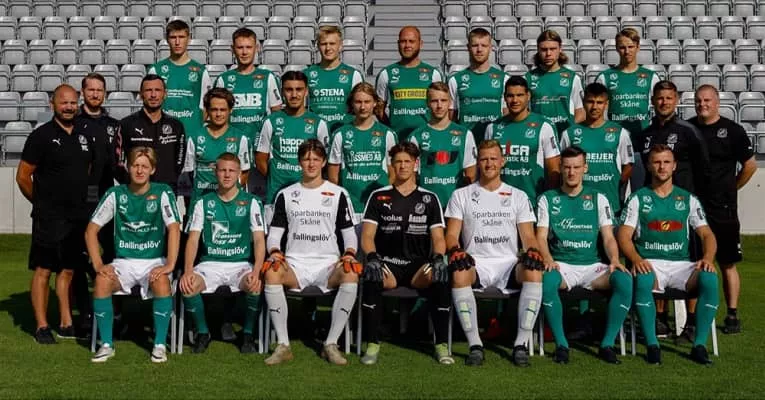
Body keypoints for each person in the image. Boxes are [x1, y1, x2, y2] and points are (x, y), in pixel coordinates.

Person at [444, 140, 544, 367]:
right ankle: (475, 345)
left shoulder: (518, 196)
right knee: (459, 274)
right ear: (478, 162)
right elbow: (451, 235)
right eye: (484, 159)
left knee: (534, 272)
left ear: (502, 162)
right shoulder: (461, 195)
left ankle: (520, 345)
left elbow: (528, 236)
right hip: (476, 262)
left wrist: (532, 250)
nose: (489, 164)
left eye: (493, 159)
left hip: (508, 263)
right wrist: (456, 250)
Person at [261, 139, 361, 366]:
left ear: (324, 162)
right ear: (299, 162)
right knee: (272, 272)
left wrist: (349, 253)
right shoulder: (286, 194)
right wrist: (275, 252)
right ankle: (283, 346)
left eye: (316, 159)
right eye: (306, 159)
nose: (311, 163)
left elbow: (349, 234)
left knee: (351, 273)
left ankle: (331, 344)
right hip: (295, 265)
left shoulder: (338, 193)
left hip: (328, 265)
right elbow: (274, 235)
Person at [618, 144, 719, 365]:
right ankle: (653, 345)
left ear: (674, 166)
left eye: (666, 162)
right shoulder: (637, 198)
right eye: (656, 162)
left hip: (681, 265)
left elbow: (707, 235)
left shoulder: (688, 199)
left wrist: (707, 259)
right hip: (650, 263)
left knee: (709, 278)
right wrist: (636, 259)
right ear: (649, 166)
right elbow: (623, 236)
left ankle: (699, 345)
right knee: (643, 278)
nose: (662, 167)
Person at [16, 84, 99, 344]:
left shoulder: (84, 135)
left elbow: (86, 172)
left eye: (73, 103)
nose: (69, 107)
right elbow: (23, 176)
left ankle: (66, 323)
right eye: (64, 103)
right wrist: (41, 203)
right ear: (53, 103)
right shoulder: (40, 136)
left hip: (77, 218)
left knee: (68, 270)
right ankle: (41, 326)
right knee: (44, 270)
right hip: (49, 218)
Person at [537, 146, 633, 365]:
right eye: (567, 167)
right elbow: (540, 237)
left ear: (585, 168)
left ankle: (607, 344)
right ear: (560, 168)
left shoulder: (599, 198)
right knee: (547, 280)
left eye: (576, 167)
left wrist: (615, 259)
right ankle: (562, 345)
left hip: (592, 267)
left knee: (624, 280)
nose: (571, 172)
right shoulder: (548, 199)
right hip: (562, 265)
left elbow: (608, 237)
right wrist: (548, 258)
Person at [359, 141, 452, 365]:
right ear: (391, 165)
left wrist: (438, 258)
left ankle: (441, 345)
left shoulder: (429, 198)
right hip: (388, 264)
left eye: (407, 161)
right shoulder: (378, 196)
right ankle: (372, 343)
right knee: (371, 277)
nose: (402, 166)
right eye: (398, 162)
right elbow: (367, 236)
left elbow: (439, 238)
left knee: (440, 277)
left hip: (417, 267)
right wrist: (372, 257)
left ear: (416, 164)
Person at [86, 147, 180, 363]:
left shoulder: (162, 192)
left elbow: (174, 228)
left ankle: (159, 345)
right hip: (124, 262)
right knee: (101, 281)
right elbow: (91, 230)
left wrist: (170, 265)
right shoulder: (116, 194)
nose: (139, 170)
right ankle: (107, 344)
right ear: (127, 167)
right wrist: (98, 265)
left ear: (152, 169)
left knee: (162, 282)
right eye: (135, 165)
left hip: (153, 261)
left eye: (145, 166)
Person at [633, 80, 712, 338]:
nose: (664, 102)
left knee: (689, 261)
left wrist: (695, 203)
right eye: (659, 98)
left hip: (682, 209)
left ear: (676, 100)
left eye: (668, 98)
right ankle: (659, 319)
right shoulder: (645, 134)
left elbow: (704, 170)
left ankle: (691, 321)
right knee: (657, 258)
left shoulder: (689, 132)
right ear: (652, 101)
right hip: (654, 207)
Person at [180, 153, 266, 354]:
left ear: (239, 173)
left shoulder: (252, 202)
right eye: (222, 170)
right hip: (210, 264)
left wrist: (257, 271)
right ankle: (203, 333)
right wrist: (187, 271)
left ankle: (247, 335)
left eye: (231, 171)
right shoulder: (203, 202)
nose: (227, 175)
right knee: (188, 287)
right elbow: (193, 239)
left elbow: (259, 240)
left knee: (255, 286)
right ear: (215, 173)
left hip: (240, 264)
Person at [688, 85, 757, 334]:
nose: (702, 104)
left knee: (727, 262)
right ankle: (692, 319)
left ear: (717, 102)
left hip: (723, 208)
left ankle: (732, 315)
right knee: (693, 262)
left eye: (707, 100)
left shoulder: (733, 131)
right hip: (694, 207)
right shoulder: (688, 129)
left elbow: (750, 165)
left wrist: (732, 187)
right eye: (698, 101)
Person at [73, 72, 122, 332]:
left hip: (106, 198)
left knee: (112, 253)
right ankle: (85, 312)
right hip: (78, 201)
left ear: (105, 93)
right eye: (90, 89)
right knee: (79, 258)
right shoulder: (73, 122)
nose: (95, 94)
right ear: (82, 92)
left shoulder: (114, 125)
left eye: (99, 90)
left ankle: (115, 311)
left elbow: (119, 164)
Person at [214, 27, 282, 200]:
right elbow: (215, 114)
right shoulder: (224, 79)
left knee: (262, 198)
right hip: (232, 148)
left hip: (261, 150)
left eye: (248, 47)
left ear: (256, 48)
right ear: (232, 49)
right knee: (235, 196)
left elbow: (277, 115)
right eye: (240, 47)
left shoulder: (268, 77)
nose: (244, 52)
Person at [255, 71, 330, 221]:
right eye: (289, 90)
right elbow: (260, 159)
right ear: (282, 92)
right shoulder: (270, 121)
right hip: (276, 196)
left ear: (306, 91)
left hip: (309, 197)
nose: (294, 95)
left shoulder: (319, 123)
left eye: (299, 89)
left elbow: (325, 162)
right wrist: (276, 176)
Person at [595, 28, 660, 190]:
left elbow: (660, 108)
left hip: (642, 141)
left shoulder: (651, 77)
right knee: (617, 187)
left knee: (642, 188)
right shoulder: (605, 77)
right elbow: (597, 110)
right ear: (617, 48)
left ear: (638, 47)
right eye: (622, 47)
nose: (627, 51)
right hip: (614, 141)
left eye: (631, 47)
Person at [560, 82, 634, 216]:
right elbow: (562, 166)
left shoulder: (620, 133)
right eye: (590, 102)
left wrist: (616, 186)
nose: (594, 107)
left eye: (599, 102)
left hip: (612, 204)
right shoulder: (569, 134)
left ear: (606, 104)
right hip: (578, 203)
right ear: (583, 103)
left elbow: (628, 166)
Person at [328, 82, 398, 223]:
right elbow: (333, 177)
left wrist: (383, 196)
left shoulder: (388, 134)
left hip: (379, 206)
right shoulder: (340, 134)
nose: (363, 107)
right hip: (351, 207)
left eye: (367, 102)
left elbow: (393, 174)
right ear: (352, 104)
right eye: (358, 102)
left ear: (375, 103)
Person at [485, 76, 561, 203]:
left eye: (519, 95)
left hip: (532, 201)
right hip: (498, 203)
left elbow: (554, 171)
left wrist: (546, 203)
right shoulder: (492, 128)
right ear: (504, 98)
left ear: (528, 96)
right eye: (510, 96)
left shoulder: (544, 126)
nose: (515, 100)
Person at [408, 82, 477, 207]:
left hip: (456, 204)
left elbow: (471, 175)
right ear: (427, 103)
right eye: (434, 101)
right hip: (426, 204)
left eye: (443, 100)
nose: (439, 105)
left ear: (450, 102)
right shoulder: (416, 136)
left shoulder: (465, 134)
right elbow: (411, 176)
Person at [116, 75, 186, 193]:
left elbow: (180, 160)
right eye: (148, 90)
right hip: (136, 192)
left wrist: (171, 179)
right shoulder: (127, 124)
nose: (153, 95)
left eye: (157, 90)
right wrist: (131, 183)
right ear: (141, 94)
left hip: (167, 191)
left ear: (165, 94)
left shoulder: (176, 126)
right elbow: (119, 162)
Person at [182, 87, 251, 207]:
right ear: (207, 110)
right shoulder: (194, 137)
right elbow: (189, 173)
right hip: (200, 201)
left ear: (230, 110)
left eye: (223, 110)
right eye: (214, 110)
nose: (218, 114)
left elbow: (244, 172)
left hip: (230, 204)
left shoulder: (241, 138)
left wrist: (227, 192)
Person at [375, 26, 444, 138]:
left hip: (427, 138)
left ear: (420, 44)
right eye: (403, 41)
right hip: (398, 140)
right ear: (398, 44)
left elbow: (441, 107)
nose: (407, 45)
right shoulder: (386, 73)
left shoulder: (434, 74)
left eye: (411, 41)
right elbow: (379, 109)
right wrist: (391, 130)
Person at [147, 19, 212, 134]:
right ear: (167, 40)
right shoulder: (156, 70)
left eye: (181, 37)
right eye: (173, 37)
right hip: (163, 133)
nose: (177, 42)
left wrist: (193, 126)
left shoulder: (201, 71)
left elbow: (207, 107)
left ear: (188, 38)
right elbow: (148, 103)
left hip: (191, 134)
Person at [448, 28, 509, 144]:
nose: (479, 50)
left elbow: (507, 115)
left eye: (484, 45)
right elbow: (451, 119)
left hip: (494, 144)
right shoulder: (455, 80)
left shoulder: (504, 79)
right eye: (475, 45)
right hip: (466, 143)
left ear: (490, 48)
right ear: (468, 47)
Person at [525, 30, 584, 136]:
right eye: (544, 49)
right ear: (538, 50)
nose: (548, 53)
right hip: (538, 135)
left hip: (564, 135)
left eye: (552, 49)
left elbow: (580, 111)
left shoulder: (573, 78)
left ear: (560, 49)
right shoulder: (528, 78)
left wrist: (568, 132)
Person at [305, 25, 364, 132]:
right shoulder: (307, 74)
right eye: (324, 44)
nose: (328, 48)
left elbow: (361, 108)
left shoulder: (353, 75)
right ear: (318, 46)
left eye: (332, 43)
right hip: (315, 134)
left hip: (345, 134)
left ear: (340, 46)